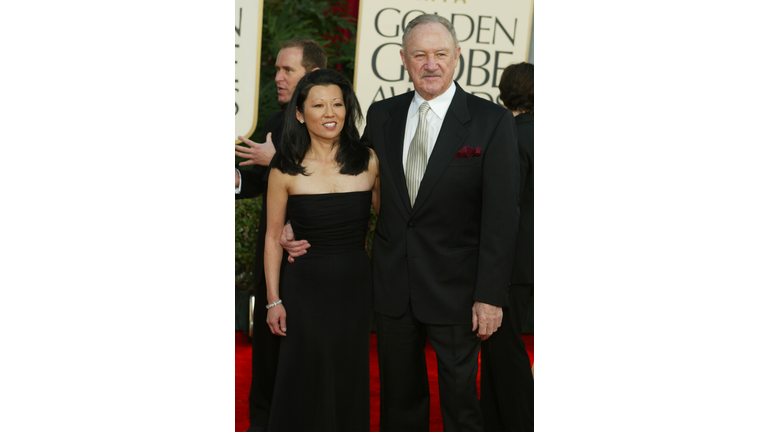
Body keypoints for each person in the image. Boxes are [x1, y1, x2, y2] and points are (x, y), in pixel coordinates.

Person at [282, 14, 520, 432]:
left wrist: (490, 295)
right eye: (420, 55)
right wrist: (292, 219)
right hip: (393, 288)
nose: (431, 64)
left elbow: (502, 217)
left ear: (457, 57)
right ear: (404, 61)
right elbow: (345, 173)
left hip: (459, 292)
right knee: (399, 402)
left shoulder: (491, 121)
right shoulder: (382, 115)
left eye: (440, 54)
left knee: (461, 403)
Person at [263, 69, 379, 431]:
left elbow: (395, 224)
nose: (330, 113)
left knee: (349, 374)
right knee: (302, 375)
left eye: (337, 104)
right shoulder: (284, 169)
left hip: (355, 290)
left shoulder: (368, 162)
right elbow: (271, 237)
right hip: (303, 291)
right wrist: (273, 300)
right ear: (300, 113)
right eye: (318, 105)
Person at [234, 37, 326, 432]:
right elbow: (256, 181)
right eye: (276, 69)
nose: (277, 78)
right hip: (270, 262)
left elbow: (337, 183)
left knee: (305, 363)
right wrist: (237, 178)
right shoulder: (274, 121)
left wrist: (279, 162)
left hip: (312, 261)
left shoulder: (333, 123)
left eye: (287, 69)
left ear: (314, 74)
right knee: (267, 362)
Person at [479, 61, 534, 432]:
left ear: (501, 92)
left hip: (513, 264)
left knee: (503, 351)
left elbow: (503, 206)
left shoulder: (507, 137)